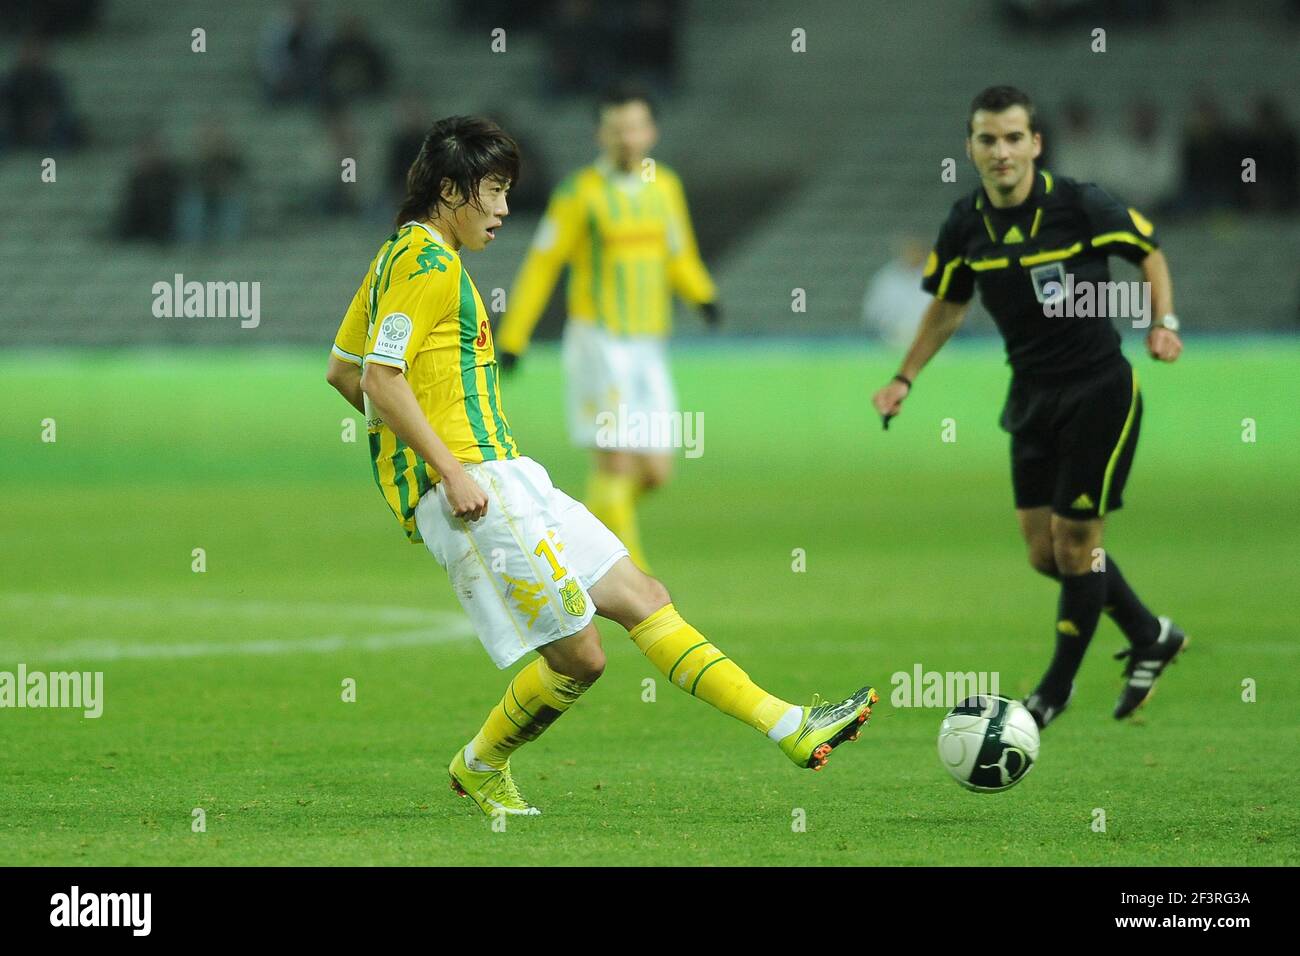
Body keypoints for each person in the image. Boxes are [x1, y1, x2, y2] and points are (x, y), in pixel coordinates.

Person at [325, 116, 876, 816]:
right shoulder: (428, 266)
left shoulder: (397, 258)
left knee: (644, 594)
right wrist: (445, 470)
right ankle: (480, 764)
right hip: (476, 485)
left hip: (508, 472)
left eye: (506, 192)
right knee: (582, 659)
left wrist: (417, 453)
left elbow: (344, 371)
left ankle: (791, 726)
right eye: (491, 192)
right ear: (449, 190)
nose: (502, 210)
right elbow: (379, 378)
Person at [871, 86, 1188, 729]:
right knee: (1045, 555)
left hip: (1100, 389)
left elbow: (1148, 251)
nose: (1002, 151)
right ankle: (1150, 633)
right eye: (988, 139)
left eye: (1014, 138)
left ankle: (1053, 691)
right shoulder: (965, 223)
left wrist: (1164, 321)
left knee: (1076, 544)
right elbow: (950, 304)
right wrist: (905, 377)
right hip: (1031, 397)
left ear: (1036, 144)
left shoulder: (1079, 203)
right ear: (971, 148)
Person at [495, 84, 719, 571]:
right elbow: (543, 263)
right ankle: (632, 577)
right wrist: (514, 336)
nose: (627, 138)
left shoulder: (666, 188)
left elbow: (678, 253)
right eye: (617, 129)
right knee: (615, 461)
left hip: (648, 345)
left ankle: (583, 542)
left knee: (656, 472)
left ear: (651, 132)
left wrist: (701, 294)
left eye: (635, 127)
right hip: (599, 342)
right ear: (601, 134)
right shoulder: (580, 193)